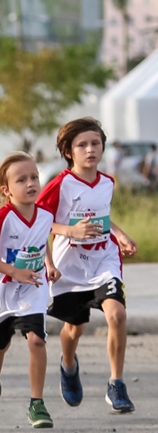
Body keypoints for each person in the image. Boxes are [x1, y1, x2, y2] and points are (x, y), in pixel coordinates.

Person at [43, 116, 138, 413]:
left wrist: (120, 234)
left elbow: (103, 216)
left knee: (117, 314)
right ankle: (68, 365)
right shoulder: (60, 184)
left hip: (103, 261)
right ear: (69, 151)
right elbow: (38, 223)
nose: (90, 150)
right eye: (82, 145)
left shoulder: (107, 182)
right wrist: (65, 238)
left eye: (95, 143)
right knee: (74, 328)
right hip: (68, 268)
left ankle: (116, 382)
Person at [0, 153, 57, 431]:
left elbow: (40, 241)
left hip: (33, 288)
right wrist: (13, 271)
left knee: (36, 340)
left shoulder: (45, 215)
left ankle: (37, 402)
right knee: (1, 345)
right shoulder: (2, 218)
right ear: (7, 190)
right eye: (21, 180)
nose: (31, 183)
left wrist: (50, 264)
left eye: (34, 177)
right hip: (4, 292)